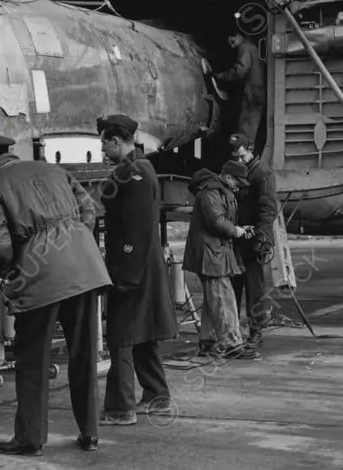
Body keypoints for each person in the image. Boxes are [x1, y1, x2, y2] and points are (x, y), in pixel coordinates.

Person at [0, 133, 110, 456]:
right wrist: (75, 240)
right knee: (84, 354)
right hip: (84, 268)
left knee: (33, 358)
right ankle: (90, 433)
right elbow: (89, 209)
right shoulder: (54, 170)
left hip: (39, 273)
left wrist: (12, 272)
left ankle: (30, 439)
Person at [96, 115, 178, 426]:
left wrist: (125, 276)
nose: (102, 148)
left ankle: (120, 407)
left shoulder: (137, 173)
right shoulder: (133, 169)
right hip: (139, 267)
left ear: (117, 141)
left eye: (104, 142)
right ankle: (157, 396)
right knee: (142, 336)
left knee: (122, 337)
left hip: (133, 269)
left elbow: (137, 230)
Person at [184, 161, 257, 359]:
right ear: (228, 177)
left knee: (213, 298)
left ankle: (208, 342)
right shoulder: (211, 193)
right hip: (210, 253)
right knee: (223, 297)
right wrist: (237, 230)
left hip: (213, 251)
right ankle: (231, 344)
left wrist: (239, 229)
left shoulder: (217, 190)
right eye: (237, 182)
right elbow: (216, 221)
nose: (238, 187)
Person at [226, 134, 279, 349]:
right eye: (235, 157)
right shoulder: (242, 170)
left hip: (254, 240)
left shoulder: (263, 174)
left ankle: (256, 331)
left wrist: (261, 238)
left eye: (241, 156)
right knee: (234, 286)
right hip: (238, 238)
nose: (238, 161)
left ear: (249, 149)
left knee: (255, 289)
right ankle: (233, 330)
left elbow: (268, 209)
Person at [212, 32, 266, 144]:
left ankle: (244, 146)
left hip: (254, 88)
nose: (232, 46)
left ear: (239, 36)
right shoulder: (253, 46)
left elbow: (240, 70)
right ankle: (249, 146)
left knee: (247, 118)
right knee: (254, 118)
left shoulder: (245, 47)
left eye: (232, 42)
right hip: (261, 87)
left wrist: (220, 76)